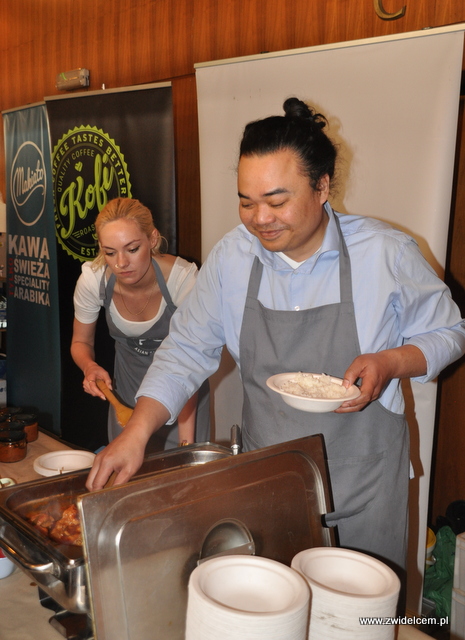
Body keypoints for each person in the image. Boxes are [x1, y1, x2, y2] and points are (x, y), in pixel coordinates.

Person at [86, 99, 465, 576]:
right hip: (269, 485)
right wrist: (137, 432)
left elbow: (449, 331)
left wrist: (392, 362)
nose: (259, 218)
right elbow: (185, 349)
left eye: (277, 201)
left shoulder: (384, 253)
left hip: (364, 487)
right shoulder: (232, 258)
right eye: (246, 200)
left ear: (323, 186)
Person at [71, 197, 210, 450]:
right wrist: (89, 366)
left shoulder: (182, 280)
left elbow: (191, 361)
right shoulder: (93, 281)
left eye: (132, 249)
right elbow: (80, 342)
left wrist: (186, 442)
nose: (121, 263)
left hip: (183, 403)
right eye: (109, 252)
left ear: (153, 240)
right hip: (125, 402)